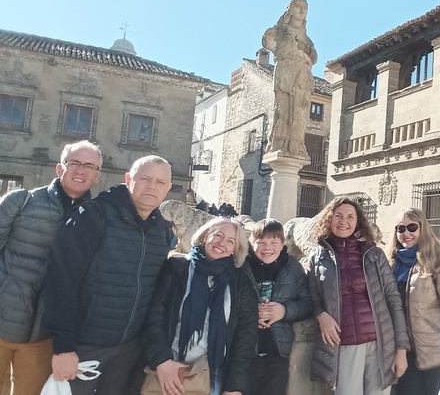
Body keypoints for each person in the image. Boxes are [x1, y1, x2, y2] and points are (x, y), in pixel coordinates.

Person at [43, 155, 175, 395]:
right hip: (83, 346)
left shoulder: (163, 232)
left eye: (159, 182)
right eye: (144, 178)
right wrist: (63, 348)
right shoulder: (94, 215)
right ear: (128, 179)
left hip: (128, 350)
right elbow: (61, 281)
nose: (151, 186)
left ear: (168, 188)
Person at [0, 141, 102, 395]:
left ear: (97, 175)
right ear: (59, 168)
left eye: (89, 165)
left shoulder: (95, 217)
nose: (81, 170)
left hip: (42, 338)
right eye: (75, 163)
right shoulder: (20, 202)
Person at [142, 217, 258, 395]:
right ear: (205, 236)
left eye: (230, 241)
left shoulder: (240, 283)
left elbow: (245, 337)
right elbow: (154, 316)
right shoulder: (176, 269)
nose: (222, 243)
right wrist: (161, 361)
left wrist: (235, 387)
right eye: (218, 235)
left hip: (214, 375)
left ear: (235, 250)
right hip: (170, 369)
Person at [307, 196, 410, 395]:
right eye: (338, 215)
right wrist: (321, 315)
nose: (343, 221)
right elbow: (312, 296)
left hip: (381, 344)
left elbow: (393, 300)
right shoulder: (317, 257)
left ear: (358, 221)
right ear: (329, 218)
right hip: (344, 343)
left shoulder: (374, 254)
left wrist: (401, 348)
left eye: (350, 217)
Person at [384, 208, 440, 395]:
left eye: (412, 227)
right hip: (401, 354)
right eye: (400, 228)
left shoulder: (437, 263)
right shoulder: (388, 264)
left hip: (435, 355)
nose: (406, 233)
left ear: (423, 229)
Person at [243, 218, 312, 395]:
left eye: (274, 242)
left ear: (282, 244)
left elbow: (307, 303)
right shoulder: (241, 266)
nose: (268, 248)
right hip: (242, 350)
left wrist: (284, 311)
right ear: (251, 243)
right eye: (261, 242)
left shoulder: (293, 267)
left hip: (277, 351)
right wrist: (251, 315)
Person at [262, 0, 317, 158]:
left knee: (301, 112)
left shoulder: (307, 39)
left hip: (303, 76)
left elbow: (314, 57)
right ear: (290, 10)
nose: (301, 10)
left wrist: (305, 49)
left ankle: (296, 143)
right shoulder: (279, 31)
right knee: (283, 111)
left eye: (305, 7)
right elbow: (268, 42)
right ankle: (280, 142)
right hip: (286, 72)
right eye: (298, 6)